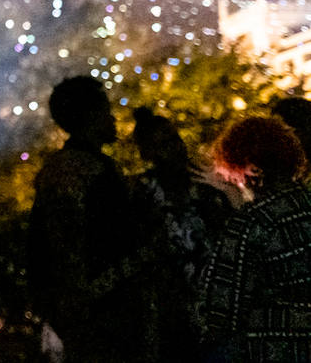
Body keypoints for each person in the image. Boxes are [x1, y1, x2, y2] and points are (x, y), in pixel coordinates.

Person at [26, 76, 144, 362]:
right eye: (106, 110)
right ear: (92, 116)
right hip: (110, 312)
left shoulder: (53, 173)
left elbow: (38, 251)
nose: (113, 118)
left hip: (75, 316)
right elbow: (119, 241)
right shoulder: (98, 173)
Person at [199, 115, 311, 359]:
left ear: (249, 169)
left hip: (275, 346)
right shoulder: (306, 203)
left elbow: (222, 310)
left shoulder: (252, 222)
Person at [129, 107, 231, 360]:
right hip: (172, 310)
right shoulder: (141, 193)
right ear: (147, 152)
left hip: (217, 302)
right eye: (163, 144)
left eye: (175, 139)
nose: (175, 148)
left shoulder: (206, 184)